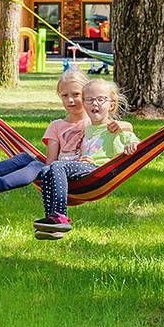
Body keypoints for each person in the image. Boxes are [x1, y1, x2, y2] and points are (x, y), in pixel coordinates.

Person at [0, 70, 92, 206]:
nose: (70, 100)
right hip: (56, 172)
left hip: (79, 175)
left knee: (37, 165)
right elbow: (51, 161)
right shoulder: (56, 126)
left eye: (76, 94)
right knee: (25, 157)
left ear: (87, 95)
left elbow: (106, 138)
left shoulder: (95, 124)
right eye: (65, 95)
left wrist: (114, 125)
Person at [33, 78, 139, 240]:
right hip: (83, 169)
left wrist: (132, 146)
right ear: (84, 103)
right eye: (89, 100)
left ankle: (60, 215)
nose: (94, 104)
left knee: (56, 167)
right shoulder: (88, 126)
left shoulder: (115, 128)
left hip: (99, 171)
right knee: (47, 169)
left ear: (111, 105)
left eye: (100, 99)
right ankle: (53, 224)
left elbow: (135, 145)